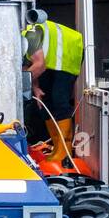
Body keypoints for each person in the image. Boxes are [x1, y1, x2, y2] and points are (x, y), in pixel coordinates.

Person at [23, 18, 84, 158]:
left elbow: (39, 65)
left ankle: (64, 152)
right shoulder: (18, 45)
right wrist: (35, 88)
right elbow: (28, 68)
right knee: (44, 102)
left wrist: (19, 86)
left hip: (67, 54)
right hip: (51, 62)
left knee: (59, 100)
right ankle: (57, 147)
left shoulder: (30, 34)